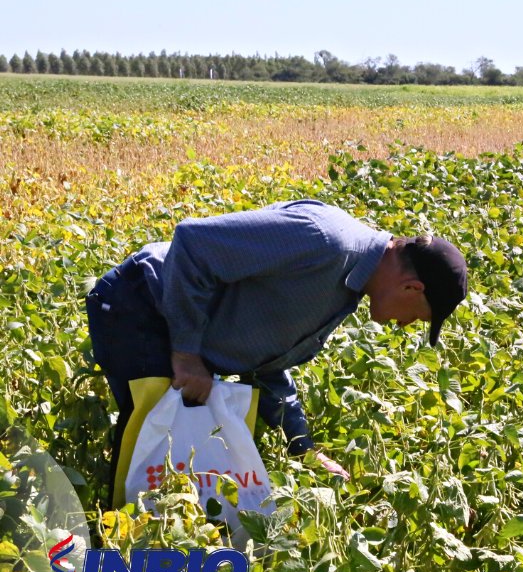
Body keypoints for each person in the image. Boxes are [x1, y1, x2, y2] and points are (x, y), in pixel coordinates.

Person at [85, 199, 468, 505]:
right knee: (151, 450)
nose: (405, 324)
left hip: (170, 323)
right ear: (412, 288)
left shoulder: (347, 287)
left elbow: (264, 361)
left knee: (180, 459)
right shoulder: (325, 240)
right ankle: (114, 547)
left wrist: (302, 447)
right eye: (418, 317)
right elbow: (193, 243)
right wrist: (187, 354)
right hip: (140, 306)